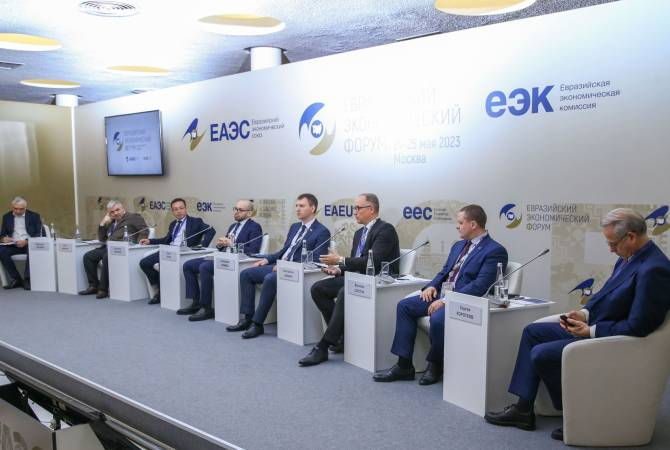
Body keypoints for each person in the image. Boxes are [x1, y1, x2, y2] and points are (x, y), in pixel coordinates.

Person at [484, 208, 670, 441]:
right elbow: (606, 295)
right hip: (599, 329)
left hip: (616, 341)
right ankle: (523, 409)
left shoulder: (654, 269)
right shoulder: (628, 257)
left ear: (630, 237)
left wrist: (591, 331)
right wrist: (584, 313)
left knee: (542, 353)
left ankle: (578, 413)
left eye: (612, 243)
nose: (610, 249)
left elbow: (639, 326)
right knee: (532, 333)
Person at [373, 204, 507, 384]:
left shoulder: (495, 250)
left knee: (437, 318)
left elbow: (479, 286)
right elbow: (445, 271)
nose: (457, 226)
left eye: (460, 223)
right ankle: (404, 365)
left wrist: (446, 300)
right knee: (405, 306)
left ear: (473, 224)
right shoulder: (458, 246)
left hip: (464, 301)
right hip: (442, 294)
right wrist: (431, 286)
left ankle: (435, 365)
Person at [298, 193, 400, 366]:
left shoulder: (386, 230)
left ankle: (323, 346)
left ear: (371, 209)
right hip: (358, 278)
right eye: (354, 208)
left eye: (358, 208)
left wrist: (340, 260)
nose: (354, 212)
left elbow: (372, 262)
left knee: (345, 291)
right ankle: (340, 337)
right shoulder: (359, 233)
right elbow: (355, 263)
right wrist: (338, 270)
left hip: (378, 280)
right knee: (318, 288)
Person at [226, 193, 330, 339]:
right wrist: (268, 259)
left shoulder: (322, 231)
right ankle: (247, 318)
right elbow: (284, 251)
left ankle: (257, 324)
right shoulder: (295, 227)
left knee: (270, 278)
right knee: (246, 274)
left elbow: (315, 259)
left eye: (301, 206)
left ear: (313, 208)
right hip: (280, 265)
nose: (297, 209)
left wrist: (285, 267)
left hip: (295, 271)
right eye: (296, 206)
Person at [180, 199, 263, 321]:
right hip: (223, 256)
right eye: (235, 209)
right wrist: (220, 244)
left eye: (240, 210)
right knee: (188, 265)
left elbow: (254, 250)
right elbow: (224, 246)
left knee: (204, 267)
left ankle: (206, 307)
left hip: (236, 261)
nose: (236, 212)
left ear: (249, 213)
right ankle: (195, 302)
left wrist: (232, 244)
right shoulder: (233, 226)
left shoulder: (254, 227)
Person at [138, 198, 215, 305]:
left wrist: (203, 245)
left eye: (181, 208)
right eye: (175, 209)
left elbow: (211, 230)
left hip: (183, 253)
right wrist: (150, 241)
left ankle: (162, 295)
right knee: (144, 263)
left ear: (186, 209)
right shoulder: (173, 224)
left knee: (164, 264)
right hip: (170, 251)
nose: (179, 211)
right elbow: (166, 240)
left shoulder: (196, 222)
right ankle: (160, 290)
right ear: (173, 212)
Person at [79, 200, 148, 299]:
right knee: (88, 256)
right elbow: (102, 239)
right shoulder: (111, 221)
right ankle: (93, 285)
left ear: (122, 208)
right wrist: (103, 223)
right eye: (112, 212)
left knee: (107, 257)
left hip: (122, 249)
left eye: (117, 210)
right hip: (108, 247)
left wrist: (138, 243)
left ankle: (103, 289)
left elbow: (144, 230)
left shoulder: (133, 217)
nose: (115, 213)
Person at [0, 197, 43, 290]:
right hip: (13, 244)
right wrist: (4, 239)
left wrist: (27, 241)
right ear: (12, 207)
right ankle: (16, 279)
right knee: (1, 250)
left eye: (21, 209)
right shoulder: (6, 217)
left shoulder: (34, 216)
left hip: (29, 243)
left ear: (25, 207)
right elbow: (2, 234)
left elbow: (39, 233)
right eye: (15, 208)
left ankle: (27, 279)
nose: (18, 211)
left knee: (31, 249)